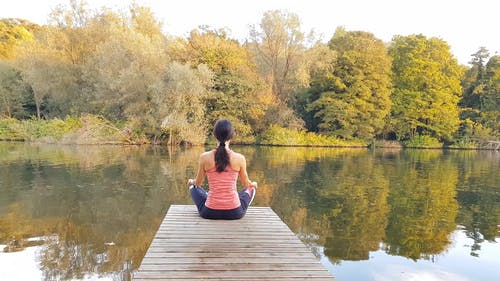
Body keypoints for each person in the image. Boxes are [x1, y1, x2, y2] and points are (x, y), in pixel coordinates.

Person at [188, 119, 257, 220]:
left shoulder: (204, 157)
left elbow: (198, 183)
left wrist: (191, 181)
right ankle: (230, 197)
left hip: (209, 212)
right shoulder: (239, 158)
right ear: (232, 136)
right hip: (235, 213)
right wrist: (253, 184)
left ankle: (209, 195)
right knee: (251, 189)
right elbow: (246, 184)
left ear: (215, 135)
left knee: (193, 187)